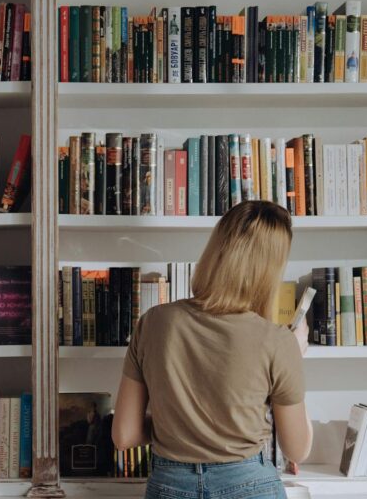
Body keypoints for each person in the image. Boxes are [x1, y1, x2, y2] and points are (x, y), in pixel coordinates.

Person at [112, 200, 311, 499]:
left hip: (170, 484)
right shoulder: (278, 340)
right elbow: (297, 449)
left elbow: (124, 436)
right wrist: (295, 355)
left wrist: (181, 424)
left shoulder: (153, 322)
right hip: (250, 485)